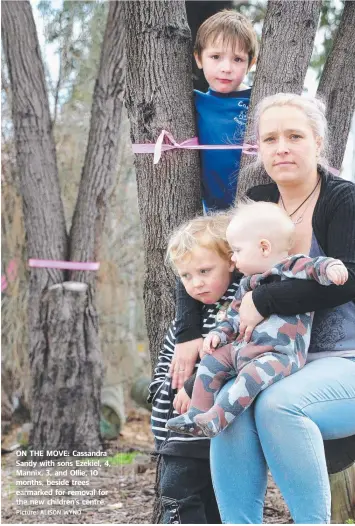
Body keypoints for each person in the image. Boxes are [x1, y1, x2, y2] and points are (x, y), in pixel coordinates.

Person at [174, 93, 355, 523]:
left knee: (276, 403)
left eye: (295, 135)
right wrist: (189, 333)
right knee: (231, 403)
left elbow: (351, 276)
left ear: (318, 143)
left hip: (344, 358)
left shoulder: (344, 201)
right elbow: (210, 254)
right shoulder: (259, 202)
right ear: (258, 149)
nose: (282, 147)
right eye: (270, 139)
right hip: (272, 355)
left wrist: (264, 299)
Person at [166, 201, 348, 438]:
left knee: (250, 377)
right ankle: (196, 413)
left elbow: (314, 266)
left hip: (279, 355)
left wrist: (332, 267)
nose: (234, 257)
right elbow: (233, 316)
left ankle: (217, 418)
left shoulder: (290, 266)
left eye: (238, 251)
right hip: (242, 349)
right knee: (211, 363)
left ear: (263, 248)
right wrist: (218, 335)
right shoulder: (247, 283)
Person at [148, 214, 239, 523]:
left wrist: (191, 387)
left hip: (202, 429)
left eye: (204, 271)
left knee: (176, 493)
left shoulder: (236, 308)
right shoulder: (189, 320)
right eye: (186, 276)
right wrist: (159, 387)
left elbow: (234, 358)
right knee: (206, 500)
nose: (196, 283)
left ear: (231, 261)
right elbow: (168, 361)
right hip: (172, 430)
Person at [193, 10, 258, 212]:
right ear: (199, 58)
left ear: (251, 64)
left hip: (258, 207)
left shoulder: (257, 101)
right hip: (211, 213)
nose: (226, 67)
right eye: (215, 56)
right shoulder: (195, 102)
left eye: (237, 59)